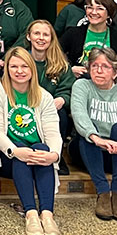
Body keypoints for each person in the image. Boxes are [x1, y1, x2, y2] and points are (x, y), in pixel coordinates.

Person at [0, 47, 62, 235]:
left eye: (24, 66)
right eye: (14, 66)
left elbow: (53, 133)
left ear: (32, 69)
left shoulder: (44, 96)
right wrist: (15, 151)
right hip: (7, 157)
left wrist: (54, 155)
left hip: (36, 156)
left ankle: (47, 215)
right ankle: (31, 214)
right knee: (21, 149)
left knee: (43, 149)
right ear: (7, 69)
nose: (19, 71)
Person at [69, 48, 117, 222]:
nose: (99, 71)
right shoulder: (82, 85)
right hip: (89, 153)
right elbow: (80, 117)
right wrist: (97, 139)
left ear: (115, 72)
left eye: (105, 67)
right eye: (94, 66)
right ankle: (102, 192)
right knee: (87, 132)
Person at [19, 20, 76, 173]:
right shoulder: (19, 61)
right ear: (29, 36)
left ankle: (55, 156)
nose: (41, 38)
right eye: (37, 33)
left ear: (51, 39)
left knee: (61, 115)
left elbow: (69, 90)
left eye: (46, 34)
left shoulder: (61, 64)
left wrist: (62, 99)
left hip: (50, 109)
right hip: (23, 107)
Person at [60, 0, 117, 78]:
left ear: (109, 14)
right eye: (90, 7)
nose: (93, 12)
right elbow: (54, 54)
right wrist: (70, 69)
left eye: (99, 8)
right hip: (77, 82)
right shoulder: (73, 33)